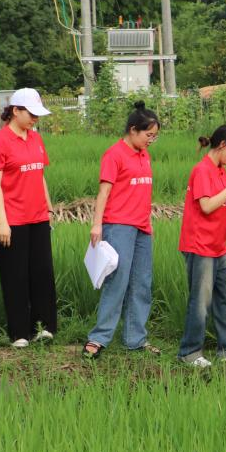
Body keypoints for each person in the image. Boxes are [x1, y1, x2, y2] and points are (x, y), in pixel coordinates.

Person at [83, 102, 161, 359]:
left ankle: (135, 339)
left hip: (142, 228)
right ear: (132, 130)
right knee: (117, 282)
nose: (151, 140)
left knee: (141, 284)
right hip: (119, 226)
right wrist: (97, 224)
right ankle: (99, 337)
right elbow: (103, 191)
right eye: (148, 135)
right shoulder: (114, 154)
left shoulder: (144, 154)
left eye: (155, 136)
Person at [177, 124, 226, 367]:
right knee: (201, 301)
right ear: (222, 145)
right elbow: (207, 206)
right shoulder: (202, 170)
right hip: (199, 246)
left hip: (217, 246)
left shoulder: (221, 170)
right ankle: (189, 353)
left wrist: (225, 249)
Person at [0, 88, 57, 348]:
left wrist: (48, 208)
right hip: (12, 220)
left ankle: (45, 328)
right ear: (15, 111)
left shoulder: (36, 139)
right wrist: (2, 222)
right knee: (15, 277)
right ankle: (19, 333)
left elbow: (40, 176)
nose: (34, 119)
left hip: (38, 217)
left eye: (38, 115)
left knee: (42, 273)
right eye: (31, 114)